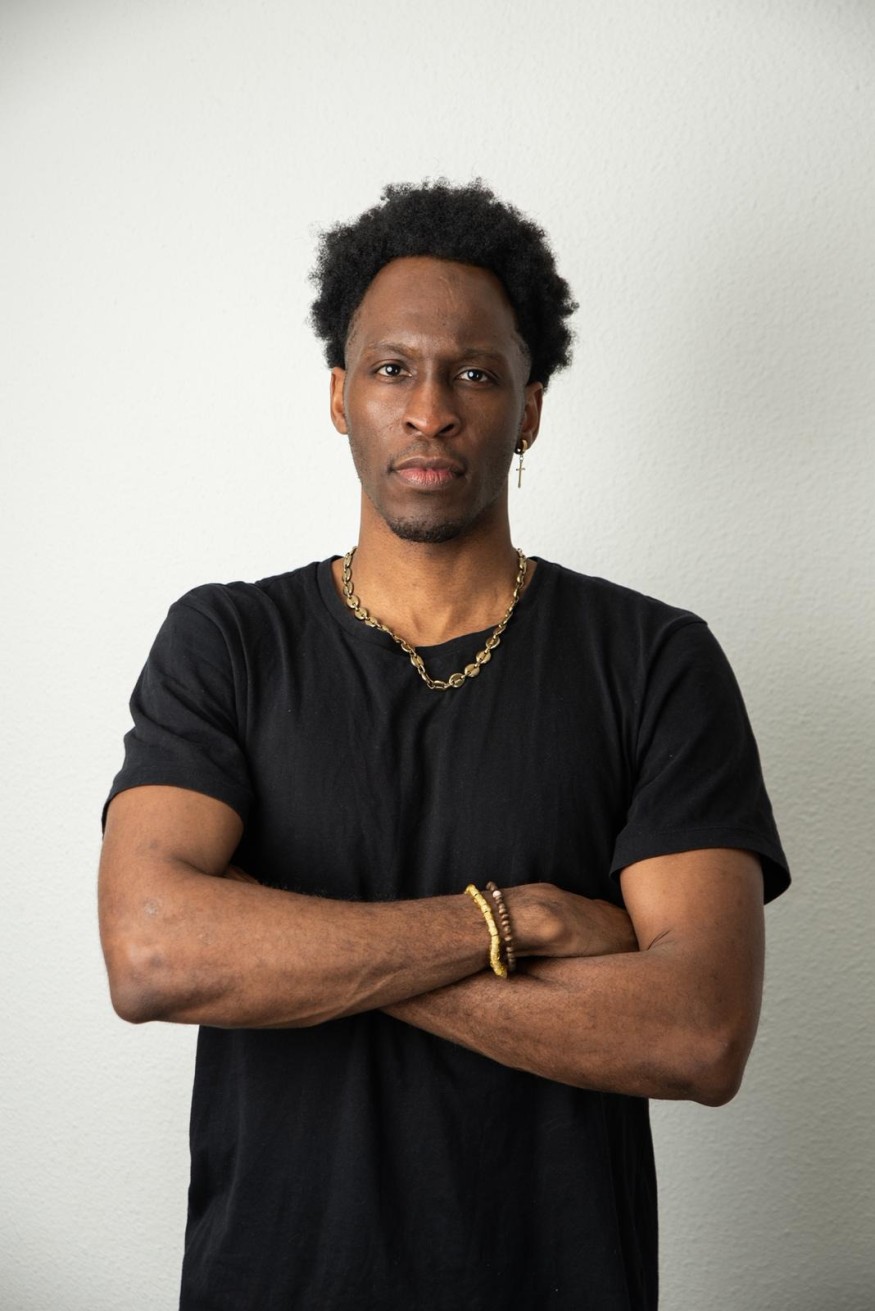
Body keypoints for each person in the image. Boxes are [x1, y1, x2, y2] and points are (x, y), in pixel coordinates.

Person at [99, 180, 790, 1310]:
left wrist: (286, 947)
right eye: (391, 368)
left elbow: (698, 1032)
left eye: (473, 373)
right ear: (339, 396)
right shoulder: (227, 641)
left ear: (528, 408)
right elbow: (150, 952)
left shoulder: (653, 658)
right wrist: (516, 921)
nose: (429, 409)